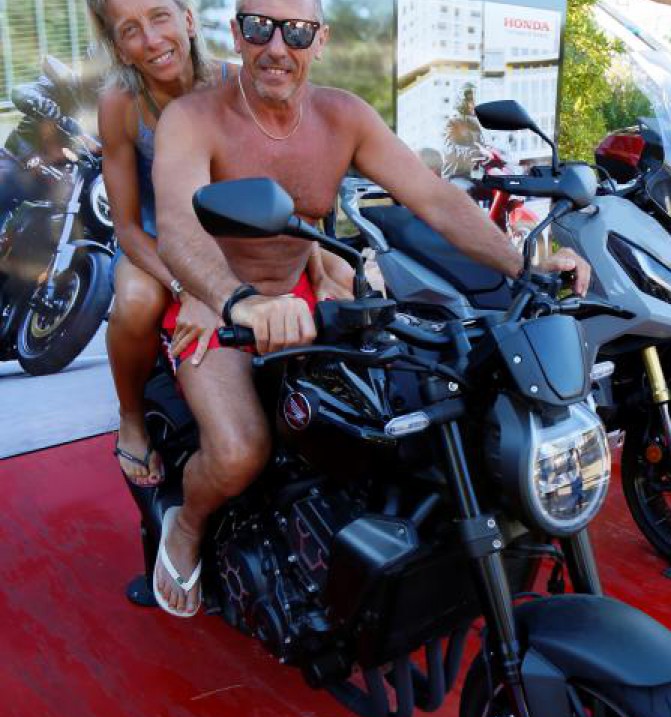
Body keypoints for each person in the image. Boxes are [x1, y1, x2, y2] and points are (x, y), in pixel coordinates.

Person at [151, 0, 591, 617]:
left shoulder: (343, 117)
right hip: (217, 305)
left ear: (320, 40)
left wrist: (524, 267)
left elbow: (434, 198)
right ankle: (187, 523)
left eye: (296, 31)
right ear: (237, 33)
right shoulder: (193, 118)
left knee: (400, 418)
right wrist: (240, 302)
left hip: (305, 302)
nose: (276, 47)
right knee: (239, 450)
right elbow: (177, 224)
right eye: (259, 27)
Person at [88, 0, 238, 486]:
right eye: (130, 30)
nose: (152, 40)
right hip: (155, 241)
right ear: (119, 49)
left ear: (187, 20)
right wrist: (188, 286)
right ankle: (131, 417)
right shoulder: (120, 103)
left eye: (159, 17)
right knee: (135, 301)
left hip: (228, 239)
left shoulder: (237, 83)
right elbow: (128, 227)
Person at [0, 57, 91, 238]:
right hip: (20, 159)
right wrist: (43, 105)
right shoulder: (63, 85)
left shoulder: (111, 104)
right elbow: (20, 92)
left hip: (61, 173)